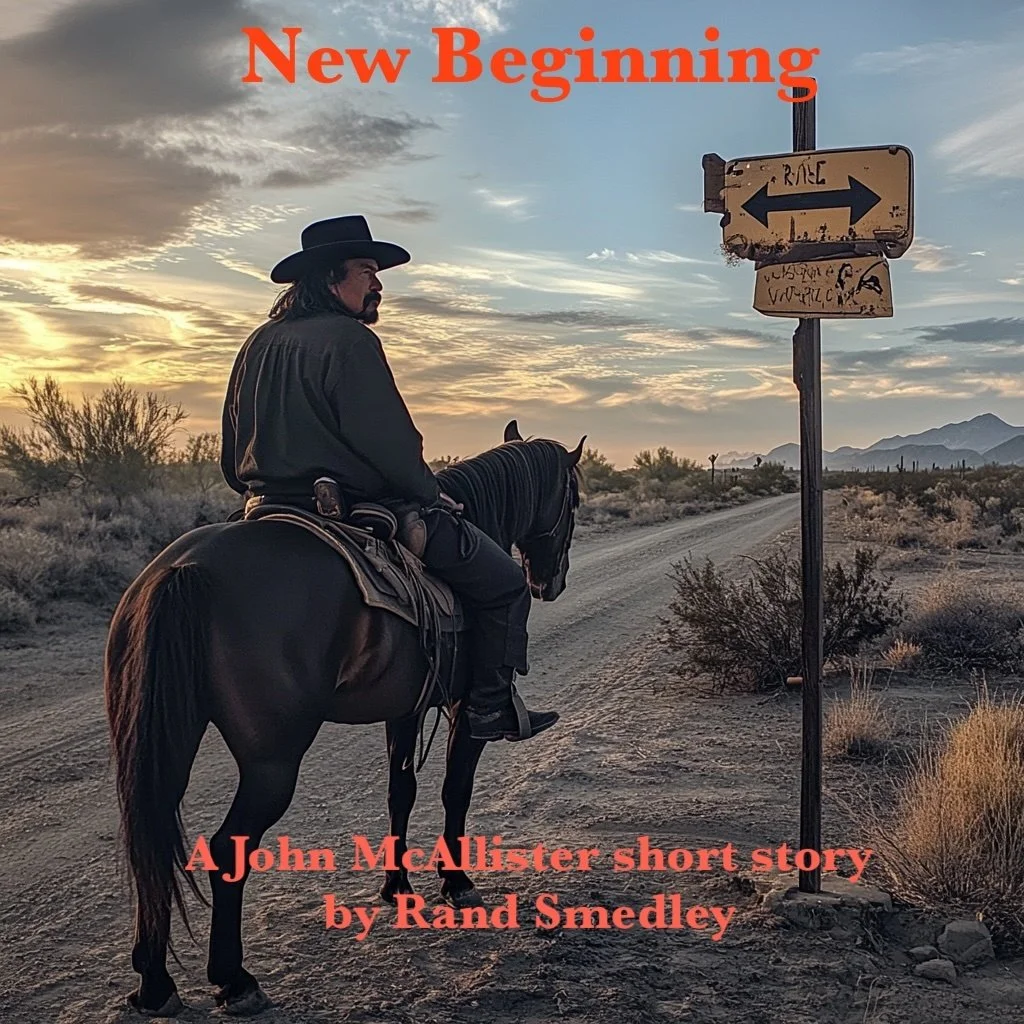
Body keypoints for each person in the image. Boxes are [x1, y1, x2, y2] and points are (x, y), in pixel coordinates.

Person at [219, 215, 558, 742]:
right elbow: (391, 444)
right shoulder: (349, 340)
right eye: (366, 271)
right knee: (506, 584)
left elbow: (229, 451)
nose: (378, 285)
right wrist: (429, 492)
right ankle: (489, 706)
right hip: (354, 508)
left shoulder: (257, 343)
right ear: (331, 278)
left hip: (265, 509)